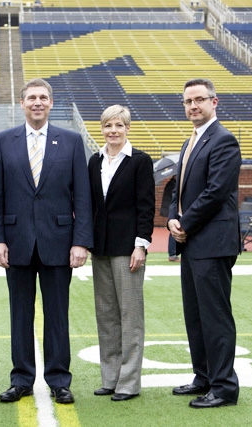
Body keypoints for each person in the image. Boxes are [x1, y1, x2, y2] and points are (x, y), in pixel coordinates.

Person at [0, 78, 92, 405]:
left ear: (51, 103)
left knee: (57, 315)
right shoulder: (4, 141)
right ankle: (21, 379)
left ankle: (59, 379)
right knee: (20, 314)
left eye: (43, 97)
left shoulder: (72, 141)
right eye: (31, 97)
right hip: (16, 242)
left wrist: (80, 242)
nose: (37, 102)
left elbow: (83, 198)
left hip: (59, 243)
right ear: (22, 103)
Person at [167, 78, 242, 409]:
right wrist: (172, 216)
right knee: (195, 315)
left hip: (212, 241)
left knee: (215, 316)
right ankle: (204, 377)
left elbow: (215, 192)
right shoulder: (190, 141)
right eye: (187, 101)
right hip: (193, 241)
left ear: (215, 102)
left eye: (199, 99)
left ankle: (224, 386)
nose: (193, 106)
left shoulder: (223, 140)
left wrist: (184, 223)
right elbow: (178, 189)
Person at [88, 105, 155, 402]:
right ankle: (110, 377)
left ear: (128, 128)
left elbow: (146, 206)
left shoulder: (140, 161)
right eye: (107, 126)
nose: (113, 130)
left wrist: (141, 244)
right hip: (100, 248)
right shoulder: (94, 161)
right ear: (101, 129)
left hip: (128, 249)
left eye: (118, 125)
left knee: (130, 316)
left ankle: (129, 382)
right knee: (106, 316)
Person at [161, 176, 180, 262]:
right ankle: (172, 254)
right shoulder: (173, 184)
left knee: (174, 230)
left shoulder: (171, 183)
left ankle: (173, 253)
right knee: (174, 231)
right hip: (172, 210)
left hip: (170, 209)